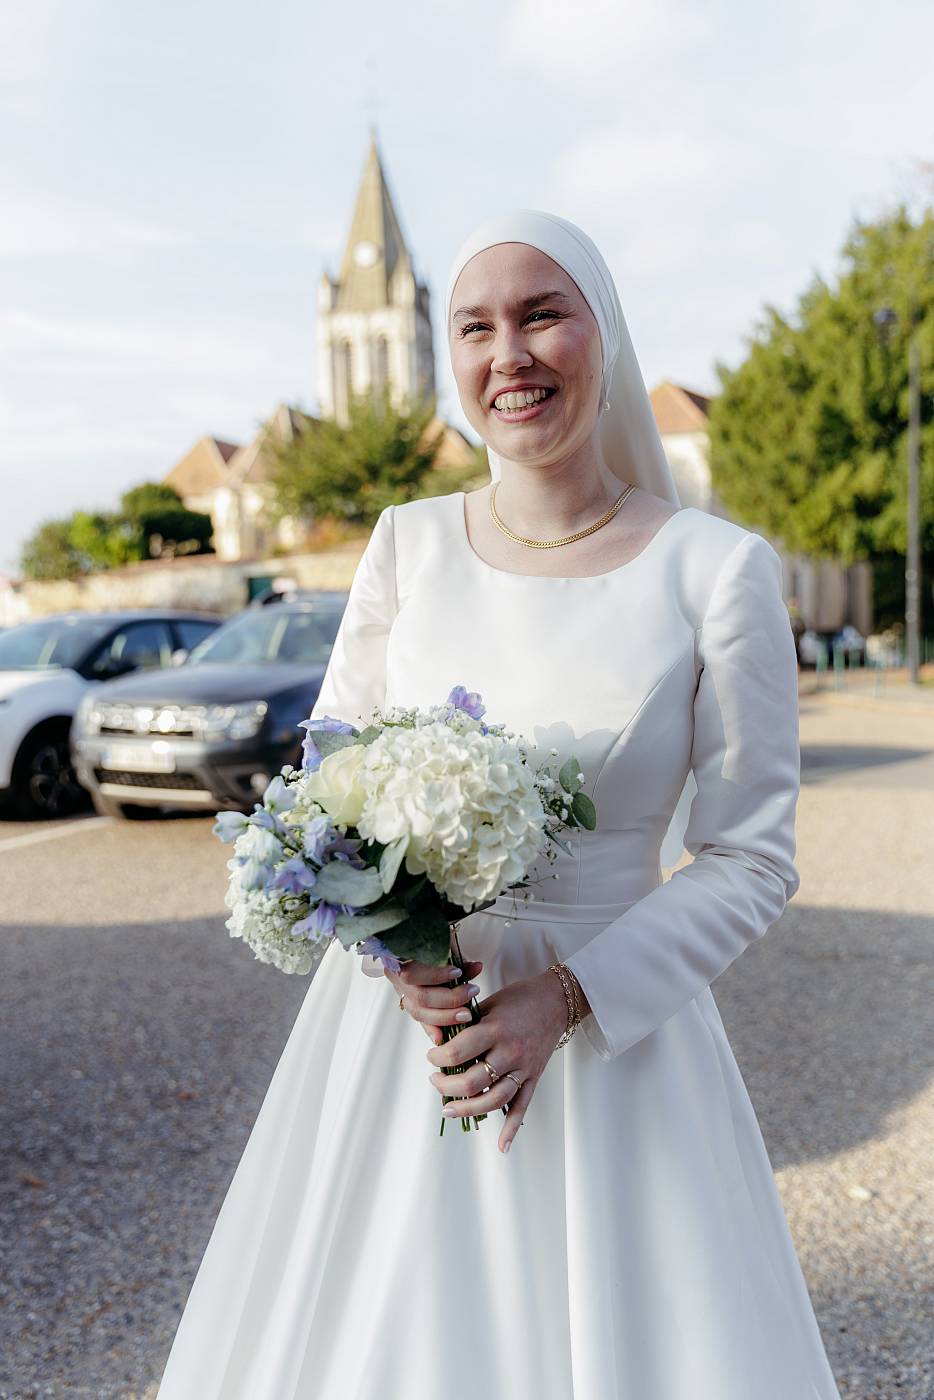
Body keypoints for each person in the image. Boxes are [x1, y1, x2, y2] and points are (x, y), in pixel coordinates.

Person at [156, 210, 842, 1399]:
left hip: (617, 1049)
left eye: (542, 314)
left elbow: (749, 858)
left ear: (602, 336)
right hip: (399, 1043)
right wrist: (386, 945)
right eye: (475, 326)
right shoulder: (405, 544)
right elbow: (327, 790)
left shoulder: (715, 569)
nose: (507, 353)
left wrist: (565, 998)